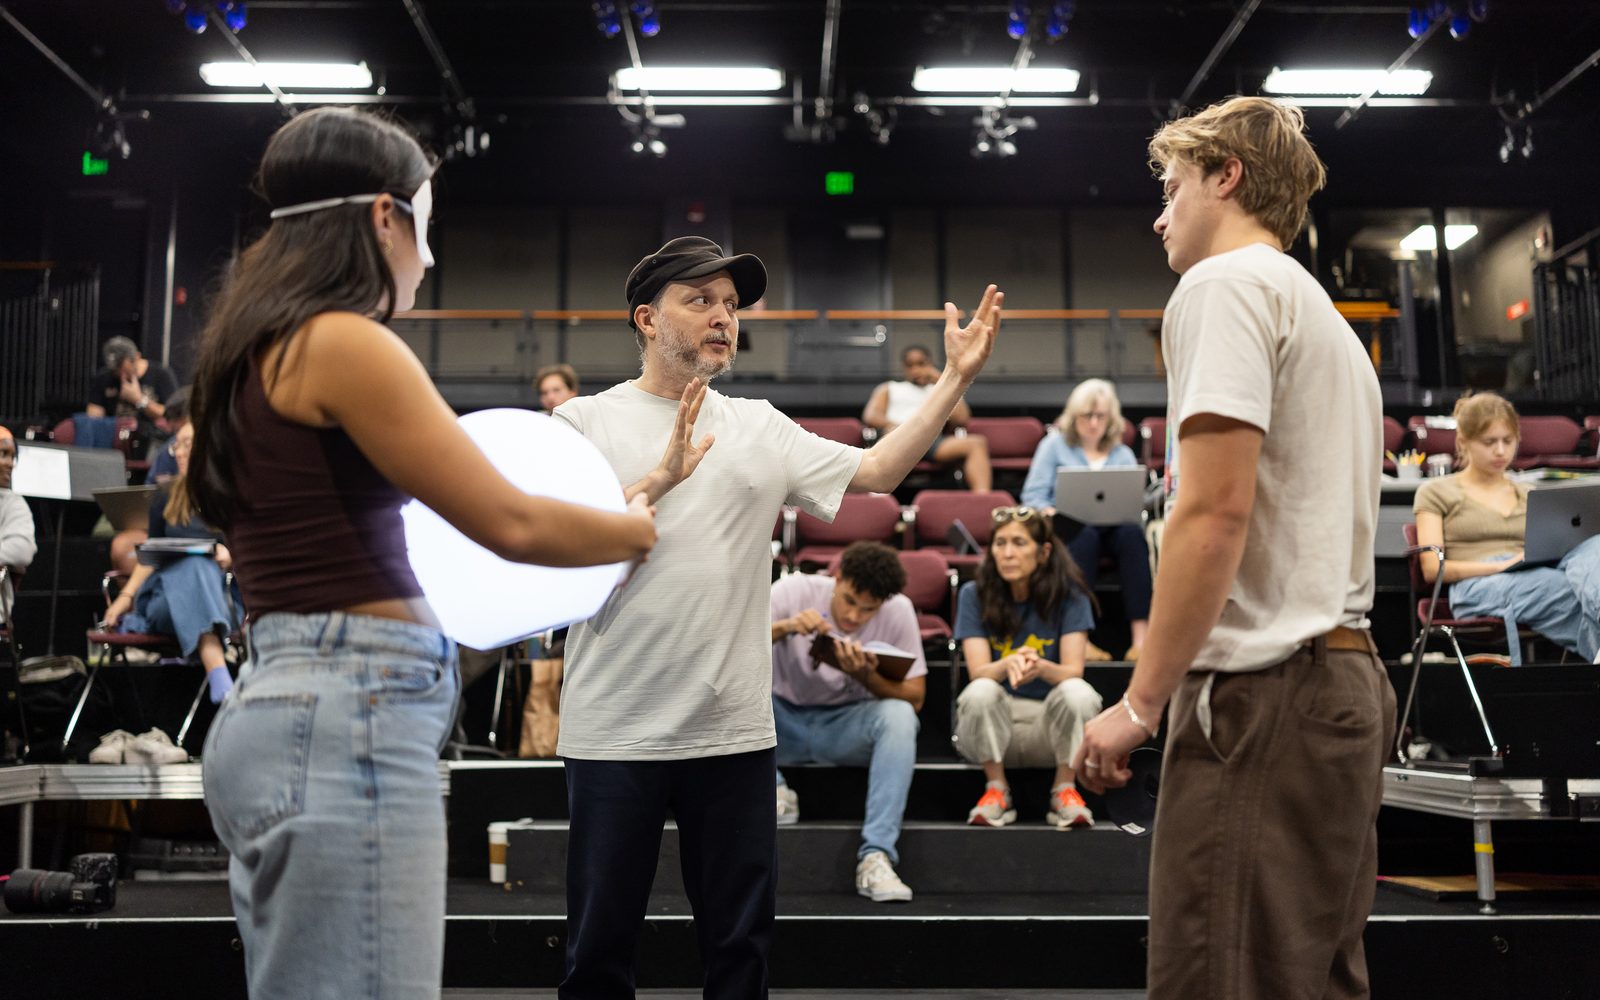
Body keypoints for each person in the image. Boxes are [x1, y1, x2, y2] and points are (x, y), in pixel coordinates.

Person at [187, 107, 656, 1000]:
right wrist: (632, 530)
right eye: (426, 224)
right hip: (345, 715)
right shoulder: (344, 341)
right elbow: (508, 521)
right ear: (382, 218)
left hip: (284, 705)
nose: (430, 257)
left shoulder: (249, 350)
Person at [553, 234, 1000, 998]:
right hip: (614, 726)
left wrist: (954, 379)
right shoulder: (583, 426)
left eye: (731, 304)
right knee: (598, 953)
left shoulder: (759, 424)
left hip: (731, 732)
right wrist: (657, 481)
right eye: (700, 300)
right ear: (645, 319)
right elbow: (559, 552)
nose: (723, 316)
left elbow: (882, 471)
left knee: (740, 955)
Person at [1074, 96, 1393, 1000]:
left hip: (1267, 692)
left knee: (1217, 978)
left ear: (1229, 177)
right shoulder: (1325, 318)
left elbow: (1213, 514)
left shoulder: (1223, 285)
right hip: (1342, 681)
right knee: (1313, 978)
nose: (1159, 212)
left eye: (1173, 187)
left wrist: (1138, 705)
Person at [770, 540, 925, 902]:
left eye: (868, 610)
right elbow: (732, 647)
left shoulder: (900, 610)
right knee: (735, 687)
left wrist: (865, 677)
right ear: (836, 579)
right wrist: (787, 626)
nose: (854, 617)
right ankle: (774, 787)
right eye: (850, 600)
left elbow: (916, 698)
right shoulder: (795, 589)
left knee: (900, 716)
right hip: (778, 722)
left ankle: (876, 855)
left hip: (844, 727)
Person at [1414, 392, 1600, 664]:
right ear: (1464, 441)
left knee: (1594, 547)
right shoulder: (1436, 492)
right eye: (1489, 442)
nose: (1501, 451)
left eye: (1508, 441)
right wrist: (1501, 566)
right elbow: (1432, 569)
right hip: (1475, 585)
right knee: (1567, 588)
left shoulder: (1527, 493)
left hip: (1534, 572)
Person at [953, 506, 1101, 830]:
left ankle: (1065, 791)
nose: (1007, 553)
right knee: (980, 690)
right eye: (1000, 543)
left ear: (1043, 551)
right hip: (990, 728)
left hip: (1048, 729)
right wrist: (1008, 664)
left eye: (1019, 543)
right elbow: (977, 672)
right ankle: (996, 791)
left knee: (1078, 692)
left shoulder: (1070, 595)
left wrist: (1041, 667)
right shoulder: (973, 594)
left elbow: (1073, 670)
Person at [102, 422, 238, 704]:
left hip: (222, 598)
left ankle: (215, 667)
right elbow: (150, 556)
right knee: (192, 565)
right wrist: (124, 598)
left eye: (188, 444)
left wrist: (232, 556)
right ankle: (217, 666)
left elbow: (256, 551)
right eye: (177, 445)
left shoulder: (230, 495)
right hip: (164, 602)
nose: (179, 452)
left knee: (199, 566)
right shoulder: (164, 496)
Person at [1020, 378, 1153, 662]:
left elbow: (1132, 501)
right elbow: (1032, 495)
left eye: (1100, 416)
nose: (1093, 423)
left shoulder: (1122, 453)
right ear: (1074, 416)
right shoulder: (1053, 446)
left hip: (1115, 528)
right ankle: (1081, 638)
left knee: (1133, 536)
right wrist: (1050, 512)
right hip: (1071, 529)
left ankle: (1141, 638)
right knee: (1085, 536)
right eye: (1087, 416)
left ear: (1111, 419)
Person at [863, 345, 993, 492]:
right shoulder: (889, 388)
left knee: (976, 443)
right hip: (897, 437)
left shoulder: (939, 389)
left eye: (921, 364)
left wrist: (941, 380)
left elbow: (962, 418)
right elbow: (871, 416)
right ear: (904, 368)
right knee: (890, 431)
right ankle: (878, 496)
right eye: (910, 365)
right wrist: (899, 427)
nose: (915, 370)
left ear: (930, 364)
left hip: (932, 441)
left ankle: (983, 500)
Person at [109, 387, 193, 577]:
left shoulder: (221, 448)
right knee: (123, 548)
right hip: (165, 533)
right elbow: (150, 495)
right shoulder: (168, 452)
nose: (179, 450)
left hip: (204, 542)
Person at [86, 335, 179, 454]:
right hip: (115, 443)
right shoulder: (104, 378)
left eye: (124, 370)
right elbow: (93, 419)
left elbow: (172, 415)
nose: (120, 375)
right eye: (116, 371)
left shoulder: (161, 375)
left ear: (137, 357)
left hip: (152, 444)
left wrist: (138, 400)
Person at [0, 427, 38, 625]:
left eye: (12, 457)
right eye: (3, 454)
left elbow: (22, 549)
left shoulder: (13, 504)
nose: (10, 464)